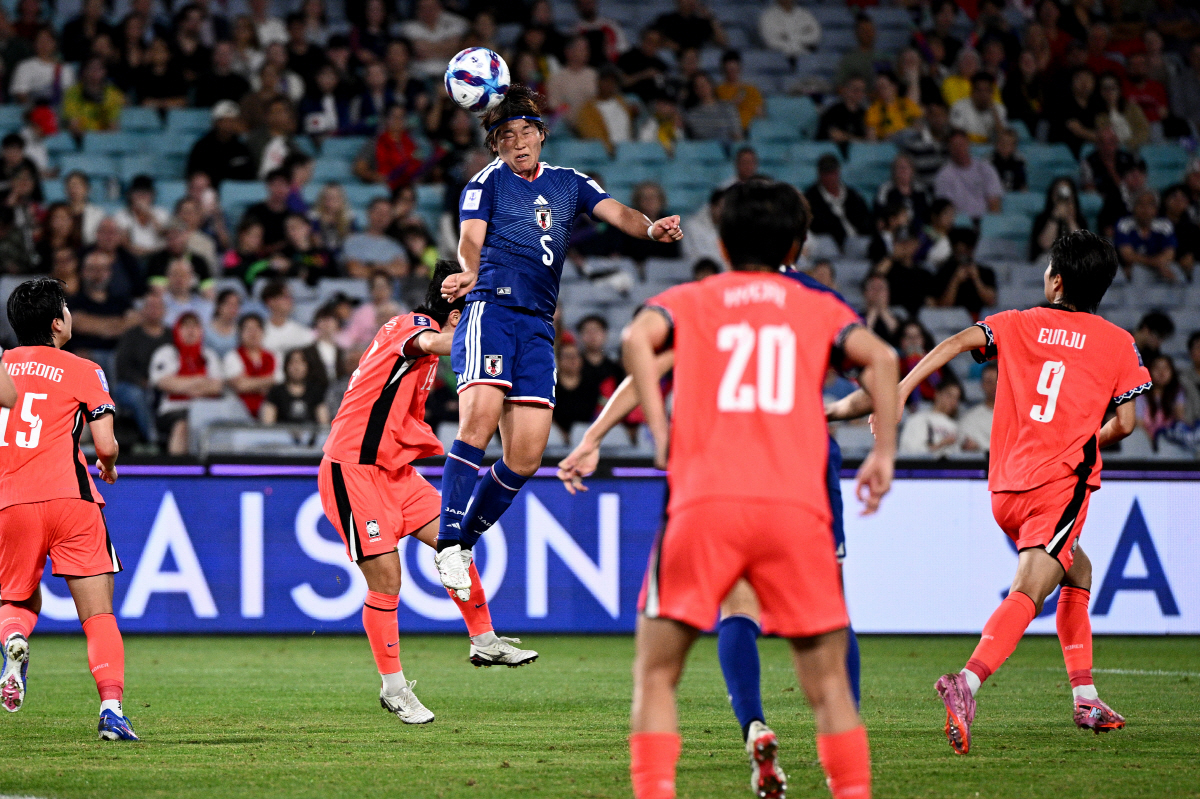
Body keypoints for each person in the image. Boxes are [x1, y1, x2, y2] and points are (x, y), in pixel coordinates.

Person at [620, 179, 899, 799]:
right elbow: (882, 358)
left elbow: (634, 339)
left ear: (720, 242)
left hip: (704, 503)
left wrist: (662, 432)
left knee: (658, 675)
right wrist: (883, 453)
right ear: (797, 242)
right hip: (796, 510)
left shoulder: (693, 298)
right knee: (828, 687)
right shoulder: (817, 304)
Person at [830, 229, 1149, 755]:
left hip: (1005, 487)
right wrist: (1087, 433)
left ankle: (1086, 695)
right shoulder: (1117, 343)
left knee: (1079, 570)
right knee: (1030, 587)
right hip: (1058, 485)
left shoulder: (1018, 322)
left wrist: (904, 388)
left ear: (1057, 282)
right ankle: (968, 681)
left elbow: (955, 343)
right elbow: (1129, 423)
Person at [432, 85, 683, 599]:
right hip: (491, 309)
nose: (518, 142)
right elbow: (470, 240)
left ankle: (464, 543)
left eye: (527, 132)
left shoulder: (571, 183)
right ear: (495, 145)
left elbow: (619, 214)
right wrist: (468, 275)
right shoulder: (485, 185)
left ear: (542, 134)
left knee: (525, 457)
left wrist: (653, 228)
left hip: (539, 325)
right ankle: (446, 539)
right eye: (506, 136)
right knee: (478, 422)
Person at [318, 261, 536, 725]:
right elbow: (434, 342)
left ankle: (484, 640)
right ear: (456, 313)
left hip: (396, 471)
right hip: (353, 469)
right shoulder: (411, 325)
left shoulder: (432, 346)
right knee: (388, 582)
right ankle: (394, 689)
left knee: (454, 544)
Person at [0, 277, 139, 741]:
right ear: (58, 323)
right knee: (98, 616)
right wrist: (108, 463)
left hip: (11, 502)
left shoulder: (2, 367)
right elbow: (105, 443)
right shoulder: (85, 369)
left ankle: (13, 640)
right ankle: (112, 712)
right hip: (71, 500)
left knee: (16, 599)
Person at [149, 311, 225, 455]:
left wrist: (182, 386)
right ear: (178, 330)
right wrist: (200, 381)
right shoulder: (166, 353)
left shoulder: (209, 355)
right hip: (174, 409)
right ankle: (177, 469)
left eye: (195, 326)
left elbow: (217, 386)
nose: (191, 330)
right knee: (182, 424)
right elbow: (164, 383)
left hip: (206, 408)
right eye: (186, 326)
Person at [113, 291, 171, 445]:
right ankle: (154, 439)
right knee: (139, 396)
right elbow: (122, 368)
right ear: (142, 310)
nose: (154, 310)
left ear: (165, 311)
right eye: (150, 306)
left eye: (158, 306)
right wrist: (144, 382)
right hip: (132, 385)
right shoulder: (131, 336)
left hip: (164, 385)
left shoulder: (171, 336)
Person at [805, 154, 873, 252]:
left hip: (858, 239)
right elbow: (817, 226)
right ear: (819, 174)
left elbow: (865, 218)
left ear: (838, 172)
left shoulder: (852, 195)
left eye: (833, 172)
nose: (830, 177)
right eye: (826, 173)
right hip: (832, 245)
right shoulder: (811, 198)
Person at [933, 129, 1003, 219]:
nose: (959, 149)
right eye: (955, 146)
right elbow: (945, 209)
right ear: (949, 148)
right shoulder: (943, 175)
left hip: (985, 222)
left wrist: (990, 225)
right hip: (959, 224)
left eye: (961, 144)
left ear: (968, 144)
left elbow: (994, 202)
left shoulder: (986, 168)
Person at [186, 101, 256, 188]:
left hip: (237, 192)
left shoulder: (242, 148)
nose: (228, 125)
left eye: (232, 121)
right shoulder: (202, 147)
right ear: (216, 123)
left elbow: (250, 175)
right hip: (209, 193)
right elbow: (194, 175)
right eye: (225, 121)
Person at [1115, 190, 1178, 283]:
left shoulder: (1165, 225)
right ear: (1133, 207)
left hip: (1160, 268)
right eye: (1140, 204)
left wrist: (1158, 264)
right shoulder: (1124, 224)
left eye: (1150, 204)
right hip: (1134, 269)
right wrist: (1156, 263)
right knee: (1137, 271)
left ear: (1156, 209)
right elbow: (1128, 256)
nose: (1145, 209)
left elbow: (1169, 255)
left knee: (1175, 270)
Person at [933, 227, 998, 315]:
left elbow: (991, 302)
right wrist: (955, 280)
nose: (964, 254)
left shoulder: (985, 272)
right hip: (952, 319)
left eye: (967, 249)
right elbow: (943, 306)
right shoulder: (944, 271)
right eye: (959, 251)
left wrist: (976, 279)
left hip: (979, 319)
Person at [223, 313, 276, 417]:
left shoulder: (275, 356)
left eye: (257, 328)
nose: (253, 333)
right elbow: (240, 386)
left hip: (269, 412)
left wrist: (249, 382)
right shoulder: (232, 356)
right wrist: (268, 382)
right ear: (240, 333)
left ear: (263, 332)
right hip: (238, 413)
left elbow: (279, 386)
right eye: (248, 329)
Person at [343, 198, 409, 278]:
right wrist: (387, 268)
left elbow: (402, 270)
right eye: (378, 211)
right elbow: (354, 270)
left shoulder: (395, 245)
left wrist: (369, 268)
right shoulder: (352, 240)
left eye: (386, 214)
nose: (381, 216)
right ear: (369, 213)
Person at [898, 376, 963, 455]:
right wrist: (939, 445)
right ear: (937, 394)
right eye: (949, 395)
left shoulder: (955, 427)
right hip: (923, 466)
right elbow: (908, 453)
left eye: (956, 398)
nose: (953, 401)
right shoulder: (917, 420)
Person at [261, 348, 328, 425]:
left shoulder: (316, 391)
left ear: (307, 366)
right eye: (292, 362)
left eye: (301, 362)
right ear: (286, 366)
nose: (296, 367)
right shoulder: (276, 392)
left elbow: (323, 423)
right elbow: (268, 423)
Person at [61, 58, 124, 136]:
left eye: (99, 68)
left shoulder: (113, 94)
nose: (95, 72)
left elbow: (113, 125)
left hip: (104, 140)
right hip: (80, 140)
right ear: (84, 71)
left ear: (105, 72)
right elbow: (74, 125)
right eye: (91, 68)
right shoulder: (72, 93)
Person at [875, 153, 931, 235]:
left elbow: (928, 215)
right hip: (893, 234)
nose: (903, 170)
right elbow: (879, 215)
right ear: (893, 171)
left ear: (913, 170)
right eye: (899, 167)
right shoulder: (885, 190)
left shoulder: (922, 191)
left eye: (906, 167)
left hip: (919, 234)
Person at [1031, 178, 1086, 261]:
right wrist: (1054, 218)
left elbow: (1082, 247)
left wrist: (1070, 219)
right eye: (1059, 192)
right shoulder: (1042, 218)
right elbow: (1045, 244)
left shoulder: (1080, 219)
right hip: (1048, 261)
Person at [259, 279, 315, 358]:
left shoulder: (303, 333)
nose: (290, 300)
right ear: (270, 301)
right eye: (285, 297)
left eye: (290, 297)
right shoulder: (259, 333)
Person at [949, 72, 1006, 144]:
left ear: (992, 93)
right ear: (972, 92)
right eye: (979, 90)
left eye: (987, 90)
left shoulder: (999, 109)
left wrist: (995, 114)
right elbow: (956, 135)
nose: (983, 95)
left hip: (990, 149)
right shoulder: (959, 106)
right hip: (967, 148)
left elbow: (1003, 139)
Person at [865, 71, 923, 141]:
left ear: (894, 86)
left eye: (883, 87)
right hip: (888, 145)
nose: (880, 90)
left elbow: (918, 122)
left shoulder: (906, 103)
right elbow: (871, 137)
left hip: (911, 142)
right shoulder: (873, 110)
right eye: (878, 88)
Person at [715, 50, 764, 133]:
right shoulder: (718, 90)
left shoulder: (752, 89)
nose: (732, 72)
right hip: (730, 131)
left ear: (739, 67)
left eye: (734, 69)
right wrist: (732, 104)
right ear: (723, 69)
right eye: (729, 70)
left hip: (753, 130)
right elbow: (716, 113)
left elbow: (760, 113)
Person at [816, 77, 867, 149]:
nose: (859, 93)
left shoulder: (864, 113)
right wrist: (856, 139)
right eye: (856, 89)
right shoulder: (834, 111)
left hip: (859, 152)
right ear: (845, 90)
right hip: (832, 151)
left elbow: (868, 140)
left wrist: (847, 137)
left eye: (862, 90)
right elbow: (835, 135)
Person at [960, 361, 997, 451]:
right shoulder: (970, 418)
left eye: (998, 381)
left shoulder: (1018, 416)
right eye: (989, 381)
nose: (994, 385)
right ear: (982, 385)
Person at [989, 128, 1027, 194]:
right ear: (996, 144)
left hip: (1014, 197)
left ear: (1014, 146)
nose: (1004, 147)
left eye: (1008, 144)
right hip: (994, 196)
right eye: (1002, 143)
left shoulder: (1019, 161)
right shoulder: (989, 161)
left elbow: (1022, 184)